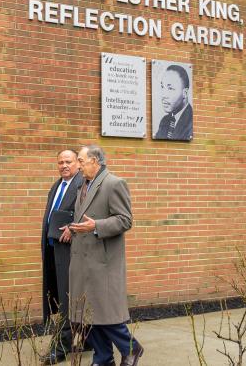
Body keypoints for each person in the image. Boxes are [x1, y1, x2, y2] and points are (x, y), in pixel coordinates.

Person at [68, 145, 143, 366]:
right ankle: (103, 359)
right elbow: (83, 218)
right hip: (83, 260)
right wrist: (72, 227)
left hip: (103, 262)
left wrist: (96, 226)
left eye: (81, 161)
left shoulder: (114, 183)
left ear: (95, 161)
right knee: (89, 315)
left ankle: (132, 348)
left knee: (106, 313)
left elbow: (125, 220)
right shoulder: (83, 185)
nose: (78, 166)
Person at [40, 149, 84, 365]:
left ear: (78, 163)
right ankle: (90, 340)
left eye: (68, 161)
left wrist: (73, 228)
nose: (64, 165)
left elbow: (90, 214)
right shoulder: (57, 185)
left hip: (70, 251)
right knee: (59, 297)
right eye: (60, 162)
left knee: (67, 300)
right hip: (52, 249)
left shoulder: (83, 185)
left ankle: (60, 347)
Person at [154, 64, 193, 141]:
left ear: (184, 93)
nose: (164, 95)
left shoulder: (192, 122)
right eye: (162, 87)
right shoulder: (165, 121)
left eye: (170, 88)